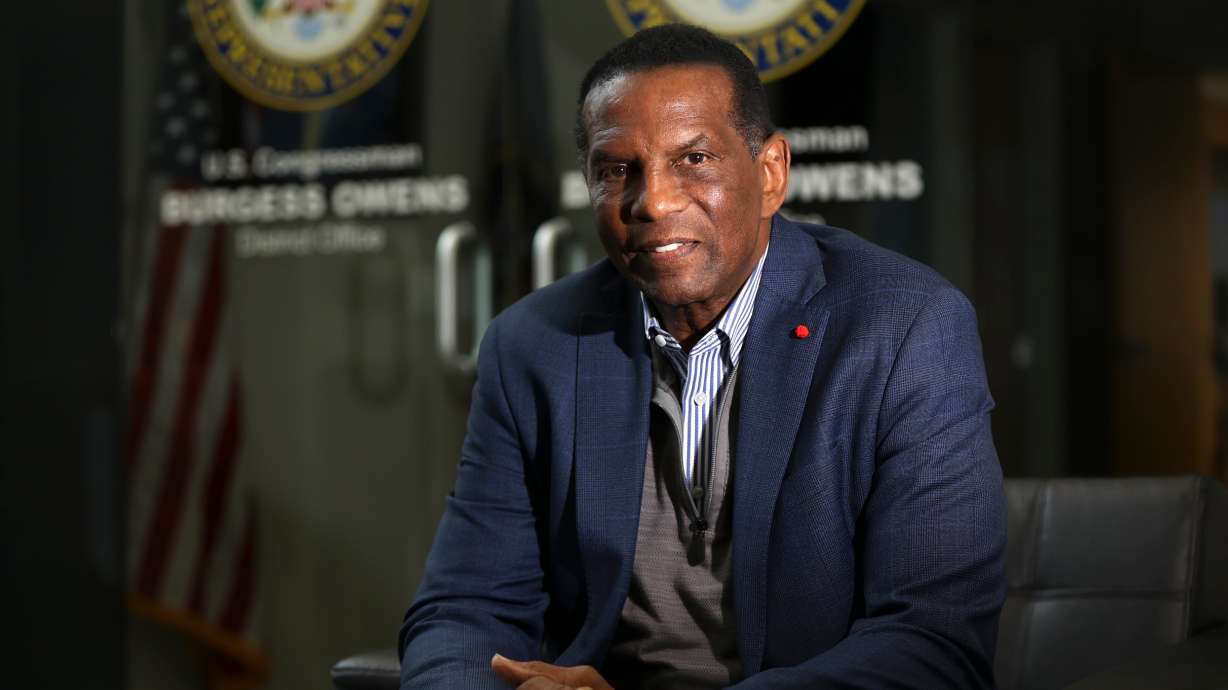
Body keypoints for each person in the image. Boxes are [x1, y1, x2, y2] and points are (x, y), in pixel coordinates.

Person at [399, 23, 1005, 690]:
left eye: (694, 159)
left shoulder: (904, 329)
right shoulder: (534, 347)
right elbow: (464, 610)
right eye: (616, 169)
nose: (651, 201)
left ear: (770, 174)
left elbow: (931, 643)